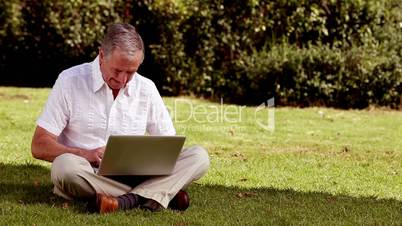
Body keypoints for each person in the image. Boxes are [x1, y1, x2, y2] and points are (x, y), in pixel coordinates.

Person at [31, 23, 210, 214]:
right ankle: (160, 193)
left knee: (199, 157)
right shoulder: (69, 81)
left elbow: (169, 146)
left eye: (131, 72)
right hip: (88, 172)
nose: (123, 80)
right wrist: (85, 154)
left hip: (136, 175)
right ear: (101, 55)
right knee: (63, 167)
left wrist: (149, 160)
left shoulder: (146, 88)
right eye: (117, 71)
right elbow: (39, 145)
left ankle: (125, 201)